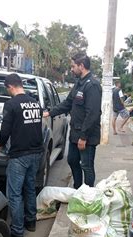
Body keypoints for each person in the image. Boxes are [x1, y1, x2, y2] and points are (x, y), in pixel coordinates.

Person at [0, 73, 44, 237]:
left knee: (14, 194)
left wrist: (1, 144)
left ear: (10, 86)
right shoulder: (35, 102)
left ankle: (17, 234)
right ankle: (30, 222)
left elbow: (5, 129)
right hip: (35, 153)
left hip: (19, 155)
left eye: (7, 89)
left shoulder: (11, 104)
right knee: (30, 188)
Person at [44, 53, 102, 189]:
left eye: (73, 66)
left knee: (86, 166)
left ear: (81, 66)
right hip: (75, 134)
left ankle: (88, 195)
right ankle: (77, 189)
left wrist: (83, 137)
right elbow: (67, 103)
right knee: (72, 160)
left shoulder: (92, 85)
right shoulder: (79, 84)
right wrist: (49, 113)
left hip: (86, 136)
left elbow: (92, 114)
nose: (71, 69)